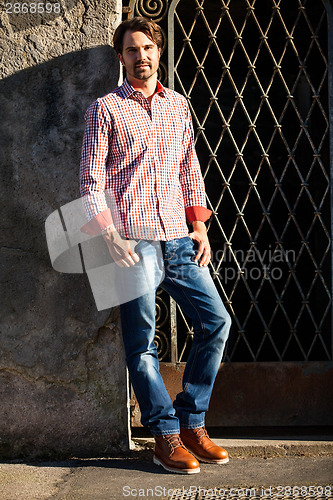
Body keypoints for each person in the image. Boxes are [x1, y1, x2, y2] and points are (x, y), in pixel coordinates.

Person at [80, 16, 231, 474]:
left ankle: (191, 422)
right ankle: (164, 433)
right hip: (133, 240)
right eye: (131, 50)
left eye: (147, 48)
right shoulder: (104, 109)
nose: (140, 56)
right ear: (120, 56)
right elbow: (91, 180)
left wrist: (199, 225)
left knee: (216, 322)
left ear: (159, 52)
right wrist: (108, 235)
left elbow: (190, 169)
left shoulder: (179, 106)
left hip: (179, 239)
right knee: (142, 343)